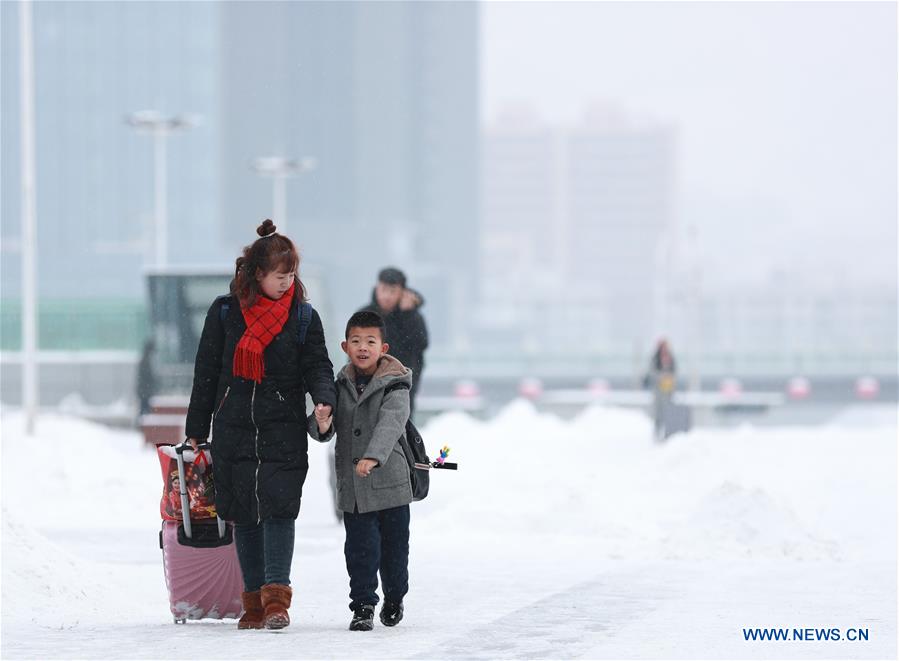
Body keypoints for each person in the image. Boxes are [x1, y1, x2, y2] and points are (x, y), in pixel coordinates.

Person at [184, 219, 336, 631]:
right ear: (257, 274)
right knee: (244, 515)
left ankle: (276, 602)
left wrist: (324, 400)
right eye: (280, 276)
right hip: (233, 428)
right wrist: (196, 428)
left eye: (291, 276)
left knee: (279, 512)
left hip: (281, 429)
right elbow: (207, 372)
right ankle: (252, 603)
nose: (288, 283)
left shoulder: (303, 318)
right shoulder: (225, 313)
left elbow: (318, 365)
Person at [310, 310, 413, 632]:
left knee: (394, 551)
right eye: (356, 341)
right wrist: (322, 421)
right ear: (345, 346)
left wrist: (373, 456)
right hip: (355, 488)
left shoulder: (396, 383)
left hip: (391, 484)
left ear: (383, 348)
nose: (363, 347)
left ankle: (394, 597)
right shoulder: (340, 384)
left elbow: (391, 424)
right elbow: (323, 430)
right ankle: (363, 605)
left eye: (370, 341)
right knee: (360, 551)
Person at [359, 267, 428, 416]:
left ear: (403, 292)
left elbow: (421, 343)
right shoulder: (365, 315)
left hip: (403, 387)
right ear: (377, 288)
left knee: (401, 432)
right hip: (369, 386)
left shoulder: (412, 317)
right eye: (383, 289)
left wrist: (408, 314)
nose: (387, 296)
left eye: (392, 291)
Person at [644, 338, 677, 441]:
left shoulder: (671, 358)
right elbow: (651, 373)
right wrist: (661, 376)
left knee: (668, 411)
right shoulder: (655, 359)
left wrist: (669, 377)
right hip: (658, 391)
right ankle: (657, 433)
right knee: (658, 412)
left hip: (668, 390)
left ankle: (667, 433)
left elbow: (674, 372)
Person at [136, 339, 157, 417]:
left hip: (144, 390)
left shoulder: (145, 359)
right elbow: (146, 376)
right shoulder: (146, 360)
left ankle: (143, 425)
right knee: (145, 409)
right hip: (145, 390)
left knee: (144, 408)